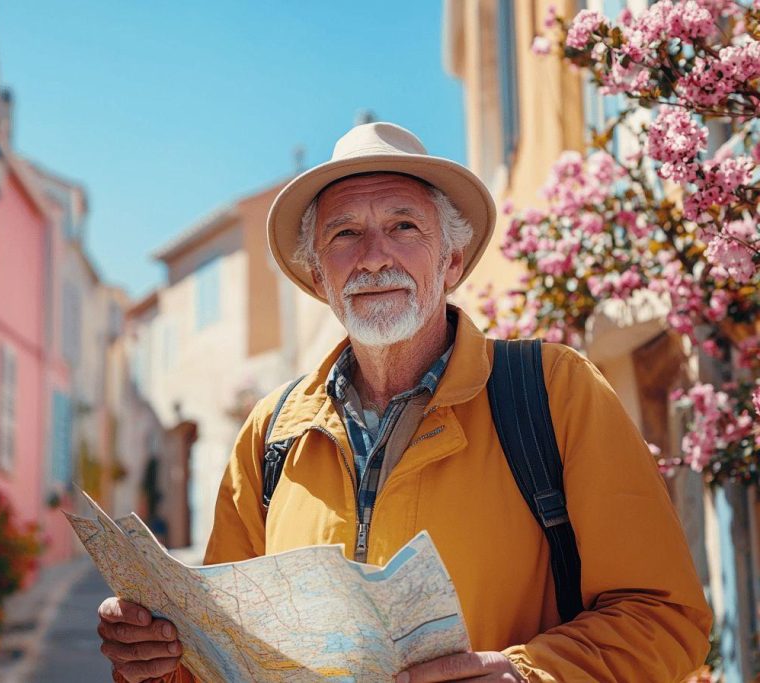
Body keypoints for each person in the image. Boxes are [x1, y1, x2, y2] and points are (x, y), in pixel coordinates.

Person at [97, 122, 712, 682]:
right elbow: (218, 658)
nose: (373, 256)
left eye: (404, 227)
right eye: (344, 234)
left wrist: (527, 675)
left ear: (451, 261)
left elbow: (665, 618)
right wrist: (156, 664)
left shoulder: (556, 390)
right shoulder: (271, 432)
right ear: (319, 277)